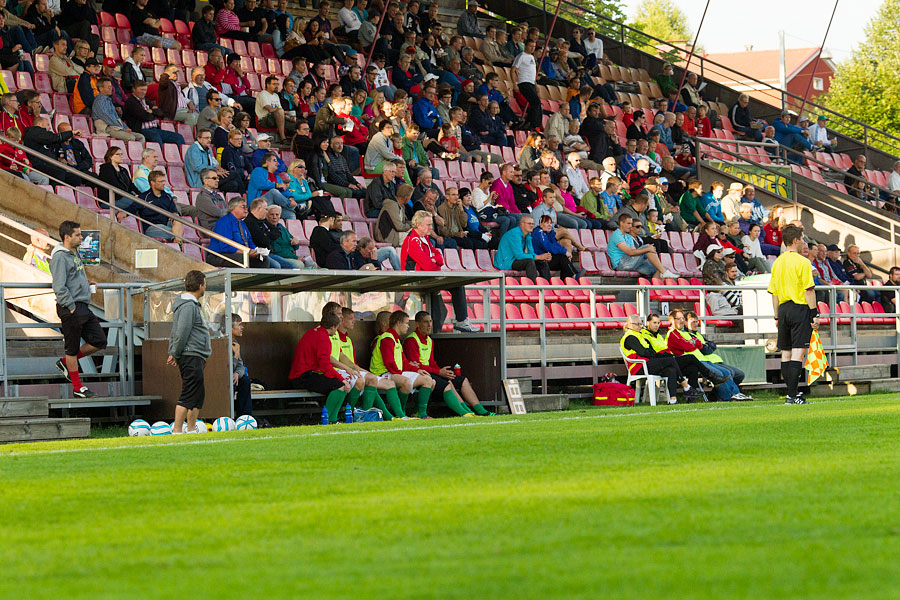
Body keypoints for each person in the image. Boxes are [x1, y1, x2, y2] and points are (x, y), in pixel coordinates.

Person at [50, 220, 106, 399]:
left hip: (82, 305)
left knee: (99, 341)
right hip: (71, 307)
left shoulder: (73, 253)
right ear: (67, 237)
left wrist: (85, 283)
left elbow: (73, 277)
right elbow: (59, 286)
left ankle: (66, 363)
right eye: (78, 234)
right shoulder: (60, 257)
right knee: (72, 348)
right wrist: (71, 306)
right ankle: (77, 387)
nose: (81, 237)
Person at [403, 311, 494, 417]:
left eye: (431, 321)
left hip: (431, 372)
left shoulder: (429, 340)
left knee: (462, 380)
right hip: (422, 374)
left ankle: (481, 410)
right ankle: (465, 412)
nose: (429, 325)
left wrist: (443, 373)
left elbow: (431, 362)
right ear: (417, 324)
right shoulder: (411, 341)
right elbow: (416, 365)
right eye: (425, 322)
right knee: (447, 384)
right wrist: (439, 372)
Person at [401, 211, 479, 332]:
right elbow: (427, 266)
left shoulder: (425, 238)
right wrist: (433, 261)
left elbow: (440, 257)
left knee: (456, 286)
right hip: (416, 280)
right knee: (440, 311)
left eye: (431, 225)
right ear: (418, 224)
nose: (431, 228)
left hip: (428, 277)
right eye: (428, 225)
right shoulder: (413, 240)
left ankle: (461, 321)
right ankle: (435, 336)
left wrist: (434, 260)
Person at [768, 224, 818, 404]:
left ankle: (791, 394)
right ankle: (792, 395)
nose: (803, 242)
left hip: (783, 309)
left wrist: (776, 316)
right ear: (796, 240)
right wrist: (814, 314)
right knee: (798, 353)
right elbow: (809, 291)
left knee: (786, 354)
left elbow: (774, 293)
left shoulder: (777, 262)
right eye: (802, 239)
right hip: (799, 309)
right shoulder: (803, 262)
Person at [167, 270, 210, 435]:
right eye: (205, 284)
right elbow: (181, 332)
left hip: (195, 355)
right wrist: (175, 352)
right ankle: (177, 431)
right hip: (190, 355)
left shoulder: (190, 305)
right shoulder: (188, 306)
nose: (205, 287)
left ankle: (191, 429)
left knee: (198, 395)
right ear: (200, 286)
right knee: (188, 393)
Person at [620, 314, 697, 405]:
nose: (640, 326)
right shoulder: (630, 337)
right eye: (637, 324)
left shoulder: (639, 335)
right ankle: (685, 386)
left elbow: (649, 351)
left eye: (640, 324)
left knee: (671, 369)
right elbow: (643, 352)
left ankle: (673, 399)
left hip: (648, 363)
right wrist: (655, 355)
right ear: (629, 325)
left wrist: (657, 355)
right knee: (670, 360)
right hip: (639, 367)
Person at [369, 310, 434, 418]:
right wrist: (401, 373)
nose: (408, 326)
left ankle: (421, 414)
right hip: (382, 373)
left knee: (428, 379)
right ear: (398, 323)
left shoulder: (396, 340)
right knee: (406, 382)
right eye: (406, 323)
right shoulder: (387, 338)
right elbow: (389, 362)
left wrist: (416, 370)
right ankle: (401, 413)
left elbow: (403, 362)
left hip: (394, 372)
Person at [289, 311, 351, 424]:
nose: (336, 331)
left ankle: (332, 419)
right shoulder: (324, 338)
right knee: (340, 386)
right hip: (303, 377)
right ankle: (328, 420)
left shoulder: (313, 332)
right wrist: (341, 379)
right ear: (332, 327)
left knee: (339, 385)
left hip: (302, 375)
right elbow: (325, 364)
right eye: (336, 328)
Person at [676, 310, 751, 401]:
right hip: (699, 361)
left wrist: (705, 346)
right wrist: (704, 346)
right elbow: (703, 349)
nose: (696, 324)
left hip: (710, 359)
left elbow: (711, 346)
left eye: (697, 321)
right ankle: (730, 396)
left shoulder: (697, 335)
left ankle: (719, 395)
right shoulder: (683, 334)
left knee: (737, 374)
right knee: (725, 373)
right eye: (693, 321)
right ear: (686, 322)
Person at [207, 198, 273, 268]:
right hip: (219, 256)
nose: (246, 209)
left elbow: (249, 241)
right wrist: (247, 252)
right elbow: (226, 247)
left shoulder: (242, 223)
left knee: (263, 259)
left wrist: (255, 252)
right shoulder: (224, 222)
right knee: (244, 259)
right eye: (243, 206)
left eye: (246, 207)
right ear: (233, 208)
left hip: (241, 253)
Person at [608, 213, 678, 278]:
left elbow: (634, 250)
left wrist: (647, 251)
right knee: (647, 247)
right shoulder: (616, 235)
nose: (630, 226)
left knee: (661, 269)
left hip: (631, 262)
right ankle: (664, 272)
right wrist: (647, 249)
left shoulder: (627, 236)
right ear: (621, 223)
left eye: (631, 224)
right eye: (628, 223)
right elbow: (630, 252)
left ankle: (654, 290)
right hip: (621, 264)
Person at [122, 81, 185, 146]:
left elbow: (160, 112)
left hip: (154, 129)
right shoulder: (131, 102)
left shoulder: (145, 100)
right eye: (141, 90)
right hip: (141, 130)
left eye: (145, 90)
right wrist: (154, 113)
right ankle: (158, 156)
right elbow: (144, 117)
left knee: (178, 137)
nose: (143, 92)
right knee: (156, 138)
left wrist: (152, 111)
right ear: (134, 89)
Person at [243, 198, 292, 269]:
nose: (267, 212)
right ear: (259, 209)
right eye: (265, 209)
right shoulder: (250, 222)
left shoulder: (263, 221)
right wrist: (268, 235)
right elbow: (264, 241)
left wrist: (266, 235)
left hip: (267, 253)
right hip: (257, 254)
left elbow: (277, 232)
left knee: (292, 266)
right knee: (276, 266)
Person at [136, 170, 184, 242]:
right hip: (152, 227)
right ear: (152, 182)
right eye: (160, 181)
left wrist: (175, 213)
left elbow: (174, 211)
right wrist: (124, 213)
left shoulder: (167, 197)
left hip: (167, 225)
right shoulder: (144, 197)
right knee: (176, 232)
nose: (163, 183)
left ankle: (177, 241)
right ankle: (178, 242)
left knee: (178, 220)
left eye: (164, 181)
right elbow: (132, 208)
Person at [97, 146, 139, 218]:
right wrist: (131, 196)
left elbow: (131, 185)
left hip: (124, 197)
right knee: (137, 206)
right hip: (111, 199)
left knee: (142, 204)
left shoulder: (123, 170)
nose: (121, 156)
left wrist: (140, 195)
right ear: (110, 156)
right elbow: (114, 185)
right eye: (118, 154)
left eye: (121, 154)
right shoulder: (106, 168)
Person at [195, 168, 228, 233]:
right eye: (214, 178)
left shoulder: (218, 196)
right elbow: (218, 212)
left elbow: (226, 210)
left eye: (218, 178)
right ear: (205, 181)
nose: (218, 180)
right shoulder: (202, 197)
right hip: (211, 229)